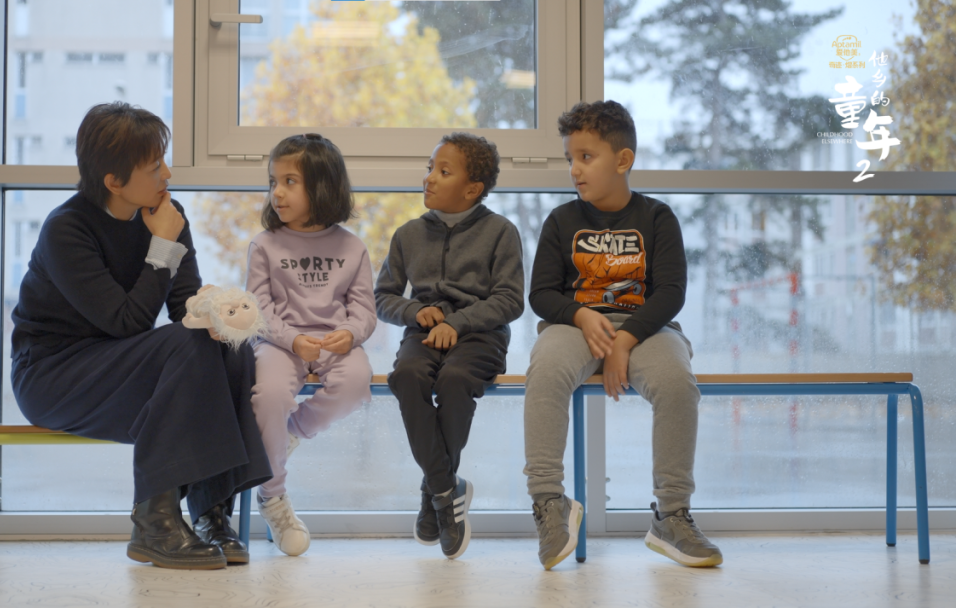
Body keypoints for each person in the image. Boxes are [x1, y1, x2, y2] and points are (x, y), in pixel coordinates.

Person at [10, 102, 271, 570]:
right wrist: (164, 245)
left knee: (229, 347)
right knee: (190, 344)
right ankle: (155, 521)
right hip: (53, 375)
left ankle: (210, 512)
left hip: (119, 365)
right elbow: (127, 322)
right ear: (113, 181)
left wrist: (215, 311)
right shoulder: (67, 229)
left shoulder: (168, 215)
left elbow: (183, 307)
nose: (166, 174)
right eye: (154, 167)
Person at [524, 100, 723, 570]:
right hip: (575, 326)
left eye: (585, 157)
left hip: (647, 327)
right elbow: (541, 294)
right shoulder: (560, 221)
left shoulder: (657, 218)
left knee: (677, 383)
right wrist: (580, 315)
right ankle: (549, 503)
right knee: (545, 370)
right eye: (570, 158)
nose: (574, 169)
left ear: (623, 160)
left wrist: (626, 340)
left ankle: (671, 515)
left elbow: (671, 291)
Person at [375, 132, 524, 560]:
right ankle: (446, 490)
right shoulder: (407, 234)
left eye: (443, 171)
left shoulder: (501, 232)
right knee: (406, 375)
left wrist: (458, 323)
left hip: (482, 335)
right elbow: (383, 297)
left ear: (472, 188)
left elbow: (510, 299)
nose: (429, 178)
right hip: (423, 333)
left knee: (455, 379)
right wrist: (414, 312)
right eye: (430, 168)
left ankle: (432, 492)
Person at [246, 133, 376, 557]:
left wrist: (350, 334)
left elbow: (364, 310)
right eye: (273, 182)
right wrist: (292, 339)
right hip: (279, 342)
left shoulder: (352, 247)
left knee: (357, 383)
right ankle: (273, 497)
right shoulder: (264, 245)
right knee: (268, 395)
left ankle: (290, 434)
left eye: (290, 181)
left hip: (335, 342)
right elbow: (257, 309)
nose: (277, 192)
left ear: (322, 186)